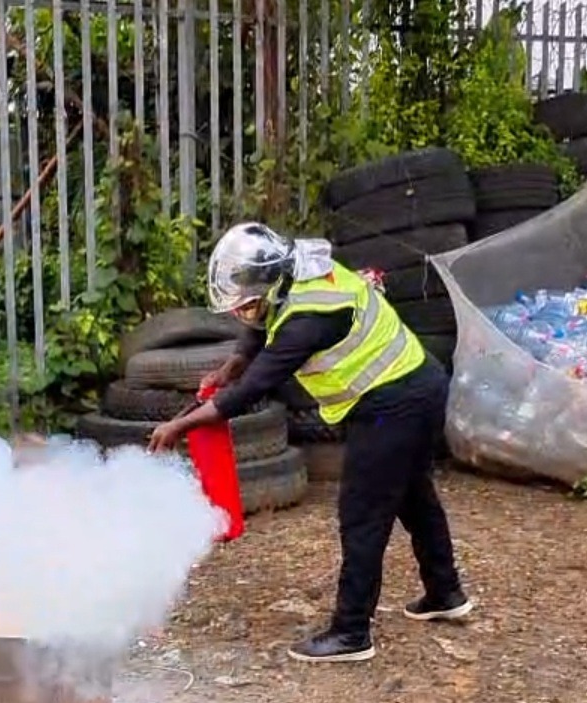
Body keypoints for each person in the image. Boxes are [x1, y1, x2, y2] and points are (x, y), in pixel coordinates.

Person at [147, 222, 471, 664]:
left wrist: (179, 425)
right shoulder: (297, 274)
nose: (244, 313)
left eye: (247, 305)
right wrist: (231, 365)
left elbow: (252, 390)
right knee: (414, 496)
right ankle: (445, 592)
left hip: (393, 403)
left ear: (272, 283)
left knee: (362, 515)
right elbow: (261, 329)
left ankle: (351, 632)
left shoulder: (310, 319)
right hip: (416, 385)